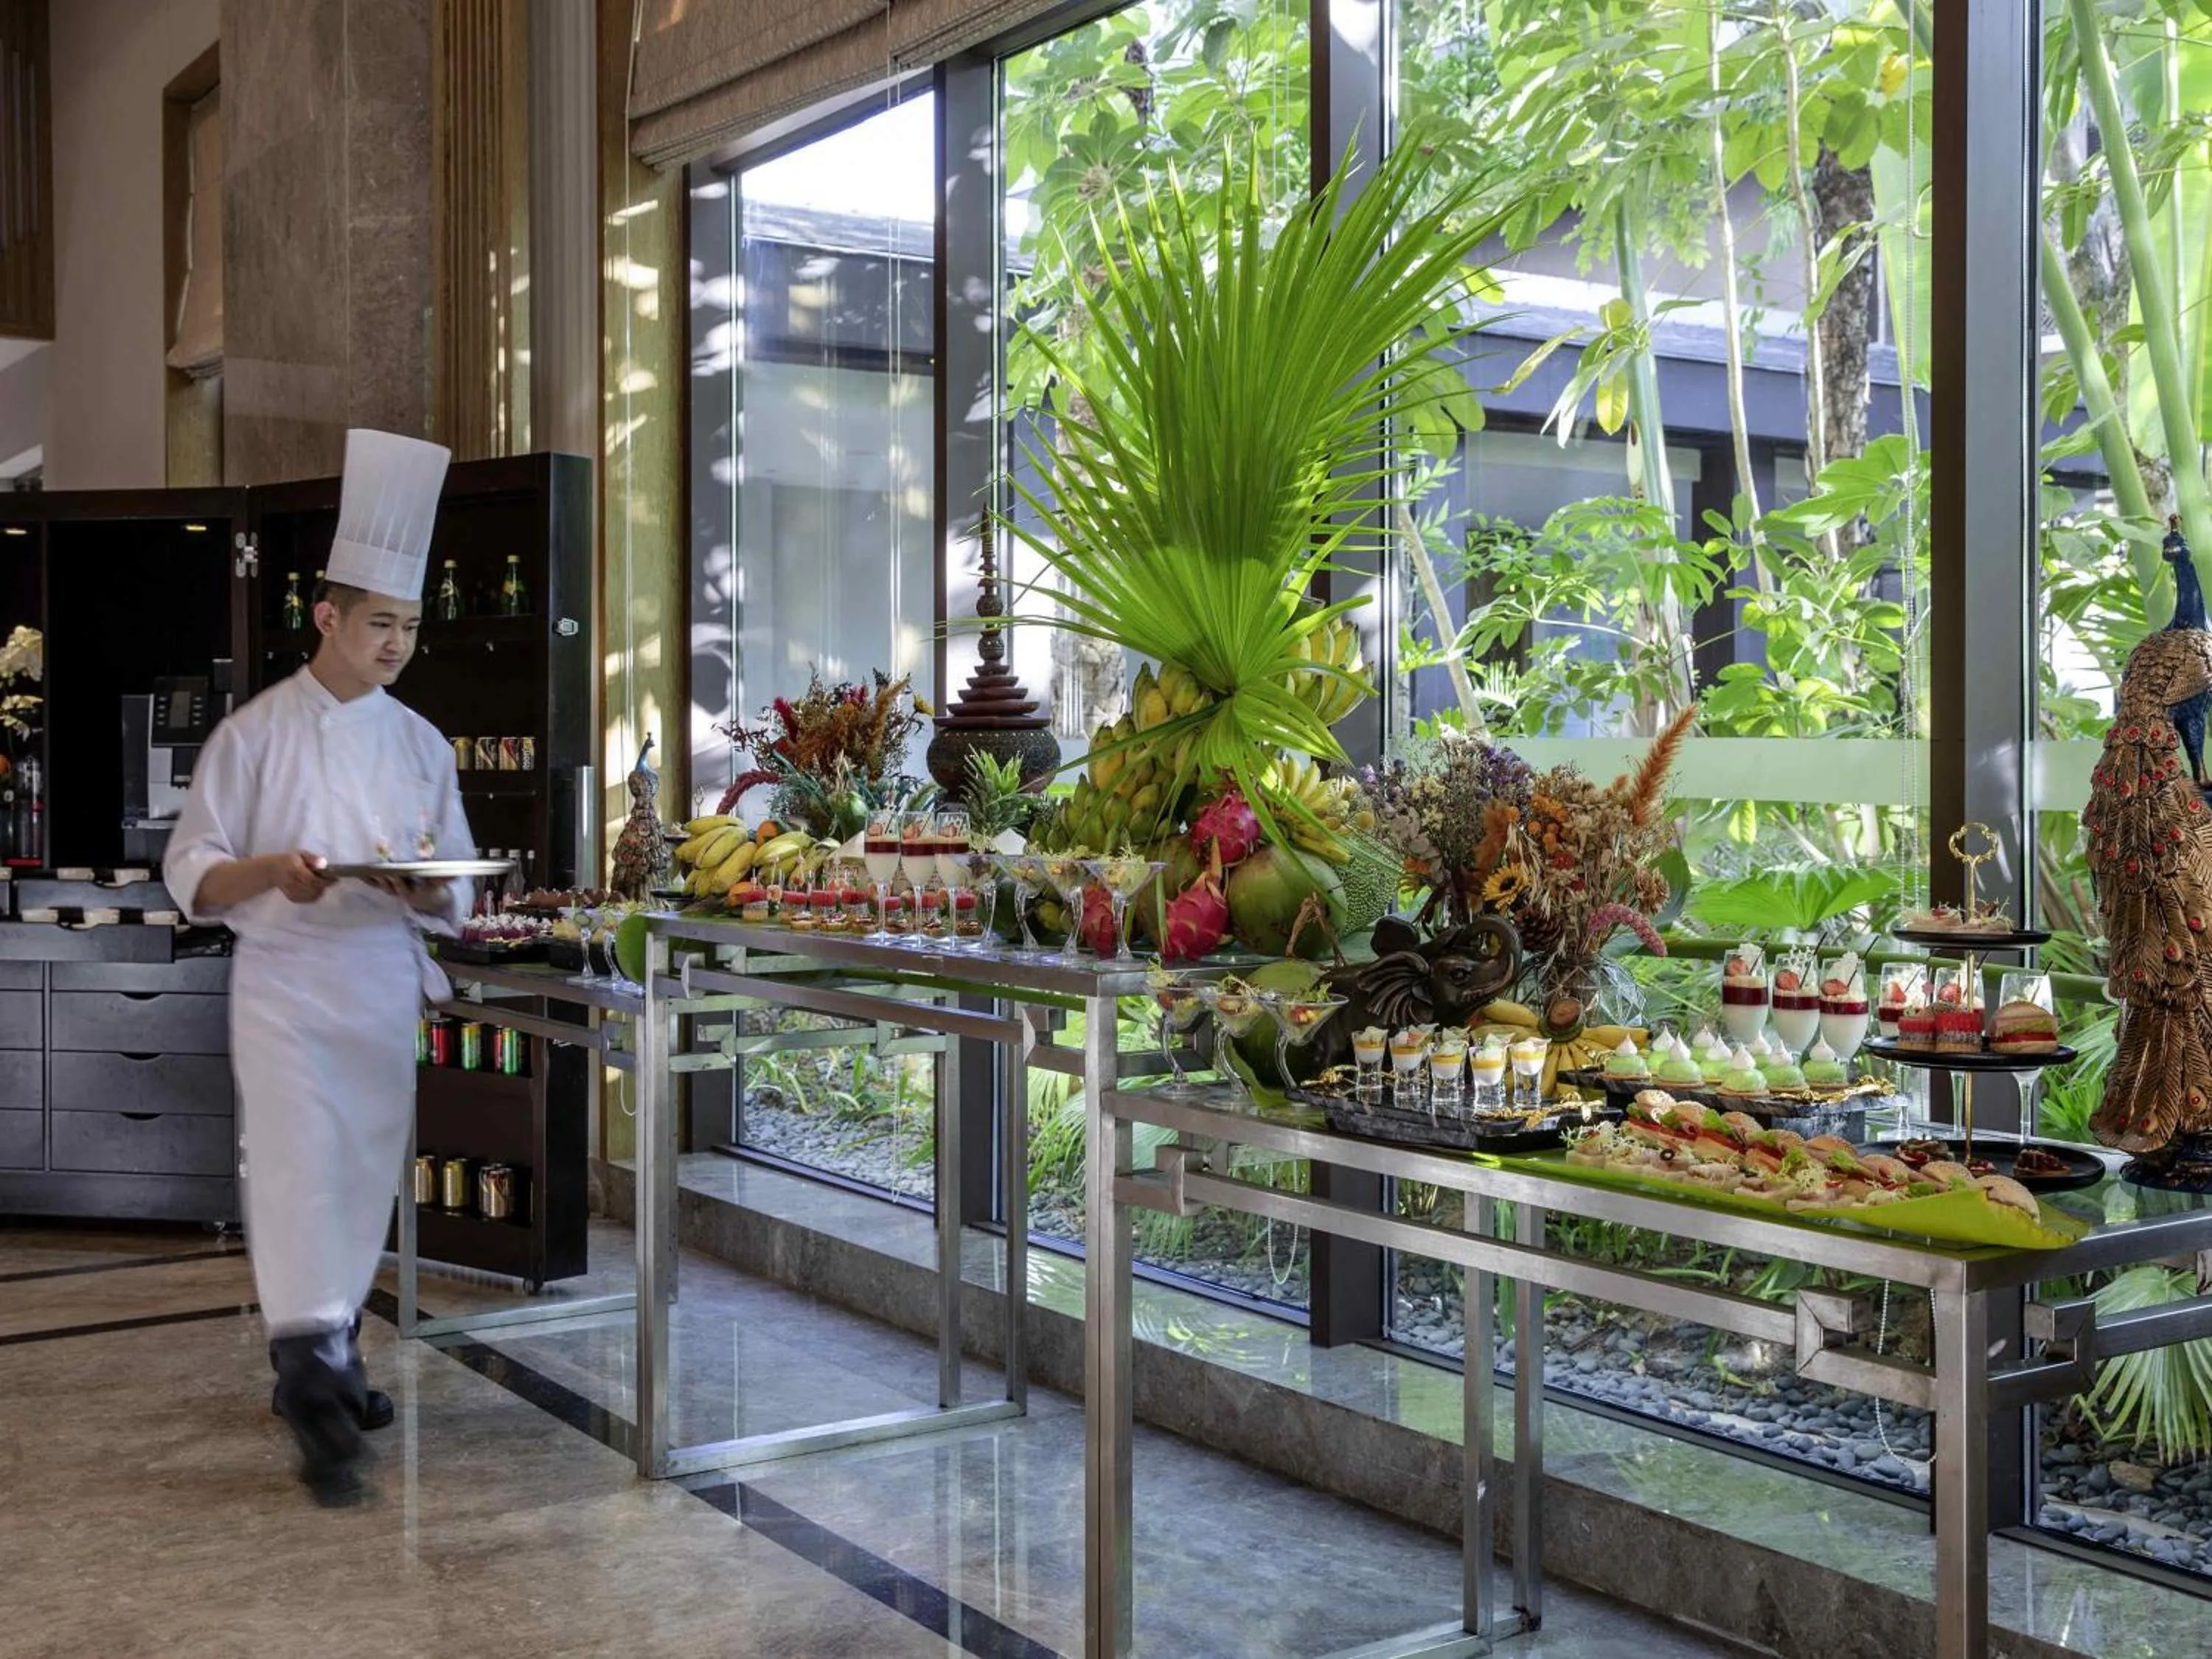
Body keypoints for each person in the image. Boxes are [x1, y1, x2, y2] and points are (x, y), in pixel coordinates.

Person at [164, 429, 476, 1505]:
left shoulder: (425, 745)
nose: (396, 644)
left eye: (410, 627)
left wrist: (426, 888)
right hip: (287, 987)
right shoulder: (250, 737)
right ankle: (315, 1386)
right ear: (328, 617)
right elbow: (192, 872)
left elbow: (457, 884)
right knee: (297, 1168)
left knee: (359, 1175)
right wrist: (271, 873)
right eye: (380, 622)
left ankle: (328, 1349)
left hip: (380, 984)